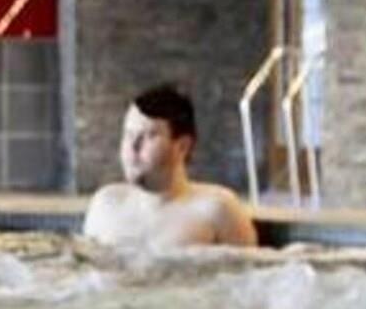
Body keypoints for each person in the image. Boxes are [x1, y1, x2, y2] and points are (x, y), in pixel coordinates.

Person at [82, 82, 259, 250]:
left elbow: (253, 271)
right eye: (128, 134)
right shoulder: (105, 206)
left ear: (182, 147)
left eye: (149, 135)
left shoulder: (217, 211)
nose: (133, 146)